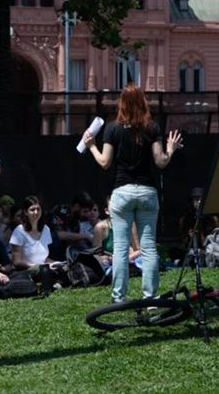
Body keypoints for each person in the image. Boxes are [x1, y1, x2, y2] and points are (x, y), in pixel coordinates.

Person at [84, 83, 181, 303]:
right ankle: (151, 299)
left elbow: (104, 162)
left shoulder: (112, 128)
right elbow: (161, 162)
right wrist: (171, 149)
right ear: (143, 101)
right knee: (148, 247)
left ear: (122, 103)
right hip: (147, 192)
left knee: (119, 248)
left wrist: (91, 146)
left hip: (122, 192)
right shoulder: (152, 127)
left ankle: (118, 299)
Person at [92, 192, 142, 274]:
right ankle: (112, 271)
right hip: (109, 260)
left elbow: (139, 250)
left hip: (129, 258)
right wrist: (109, 258)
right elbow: (96, 255)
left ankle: (130, 268)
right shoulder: (100, 227)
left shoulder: (131, 224)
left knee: (149, 258)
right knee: (102, 264)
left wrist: (129, 257)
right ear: (107, 211)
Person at [9, 196, 55, 270]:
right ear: (25, 212)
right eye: (32, 210)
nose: (36, 212)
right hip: (26, 274)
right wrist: (37, 267)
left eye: (38, 209)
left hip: (44, 272)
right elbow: (16, 262)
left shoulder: (46, 229)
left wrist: (56, 264)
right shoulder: (19, 231)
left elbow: (44, 259)